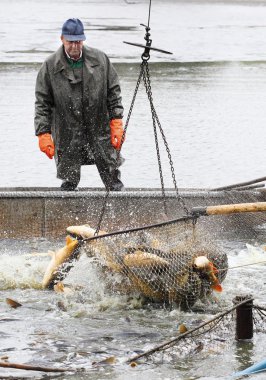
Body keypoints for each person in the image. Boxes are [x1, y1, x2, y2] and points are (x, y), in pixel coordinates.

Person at [35, 18, 125, 191]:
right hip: (67, 128)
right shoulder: (49, 65)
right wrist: (43, 133)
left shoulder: (100, 59)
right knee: (69, 176)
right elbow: (42, 103)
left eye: (78, 42)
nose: (75, 46)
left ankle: (117, 200)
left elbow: (113, 91)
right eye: (70, 42)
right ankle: (67, 203)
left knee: (111, 171)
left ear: (83, 40)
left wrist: (116, 121)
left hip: (99, 125)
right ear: (62, 39)